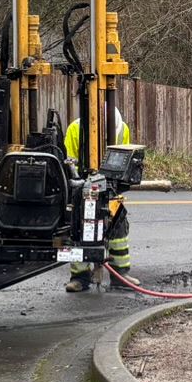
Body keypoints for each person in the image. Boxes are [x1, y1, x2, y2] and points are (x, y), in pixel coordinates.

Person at [64, 108, 132, 291]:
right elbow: (69, 162)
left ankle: (120, 274)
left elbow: (124, 160)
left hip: (110, 185)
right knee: (78, 227)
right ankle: (80, 277)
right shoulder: (75, 129)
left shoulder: (122, 129)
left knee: (118, 225)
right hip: (82, 185)